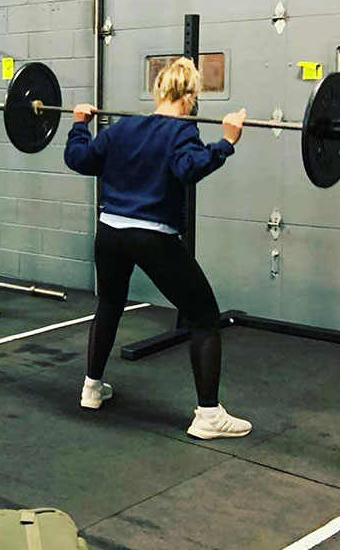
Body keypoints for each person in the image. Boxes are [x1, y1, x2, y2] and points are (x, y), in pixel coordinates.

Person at [64, 57, 252, 440]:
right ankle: (209, 416)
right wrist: (227, 142)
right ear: (190, 96)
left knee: (109, 304)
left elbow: (79, 158)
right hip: (150, 236)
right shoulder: (182, 130)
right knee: (204, 316)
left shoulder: (124, 127)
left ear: (159, 91)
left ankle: (91, 388)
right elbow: (188, 169)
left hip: (110, 232)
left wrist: (79, 125)